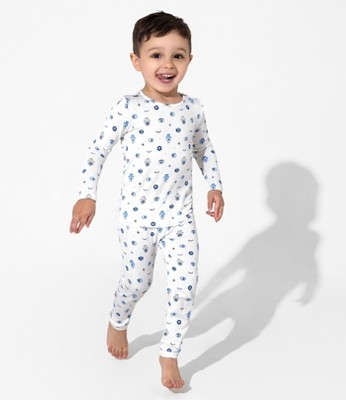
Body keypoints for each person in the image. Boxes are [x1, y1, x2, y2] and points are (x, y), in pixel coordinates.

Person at [69, 11, 224, 390]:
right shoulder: (127, 107)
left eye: (177, 55)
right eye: (156, 55)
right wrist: (87, 196)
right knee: (138, 282)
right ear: (136, 61)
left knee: (184, 288)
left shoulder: (193, 109)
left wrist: (215, 186)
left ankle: (169, 353)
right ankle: (118, 320)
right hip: (137, 219)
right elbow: (97, 151)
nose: (167, 64)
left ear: (189, 60)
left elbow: (204, 150)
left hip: (179, 219)